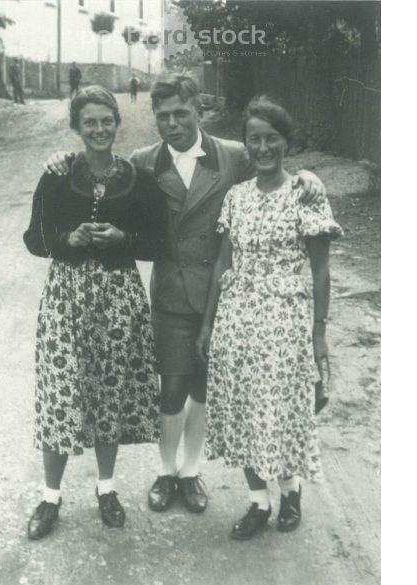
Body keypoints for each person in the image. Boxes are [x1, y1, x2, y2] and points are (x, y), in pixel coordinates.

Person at [42, 76, 325, 517]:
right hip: (172, 293)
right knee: (171, 387)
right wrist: (64, 158)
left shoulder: (231, 155)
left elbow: (274, 171)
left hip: (223, 298)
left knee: (203, 387)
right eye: (163, 116)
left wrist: (308, 175)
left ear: (199, 111)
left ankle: (190, 472)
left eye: (181, 113)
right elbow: (99, 164)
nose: (172, 123)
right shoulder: (142, 161)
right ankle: (166, 471)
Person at [195, 95, 343, 540]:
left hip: (284, 322)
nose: (263, 148)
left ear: (286, 142)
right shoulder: (236, 198)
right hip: (236, 320)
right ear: (246, 144)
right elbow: (223, 265)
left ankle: (291, 490)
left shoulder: (305, 194)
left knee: (280, 410)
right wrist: (207, 324)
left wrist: (319, 333)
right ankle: (258, 502)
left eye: (271, 139)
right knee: (241, 410)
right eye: (254, 139)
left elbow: (320, 270)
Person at [23, 85, 166, 539]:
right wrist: (68, 240)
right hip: (67, 300)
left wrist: (123, 240)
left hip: (118, 300)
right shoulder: (57, 175)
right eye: (90, 122)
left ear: (117, 124)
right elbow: (35, 239)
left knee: (109, 392)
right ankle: (50, 498)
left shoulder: (138, 178)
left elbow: (158, 242)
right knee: (60, 396)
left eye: (107, 121)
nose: (100, 129)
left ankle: (106, 489)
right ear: (76, 128)